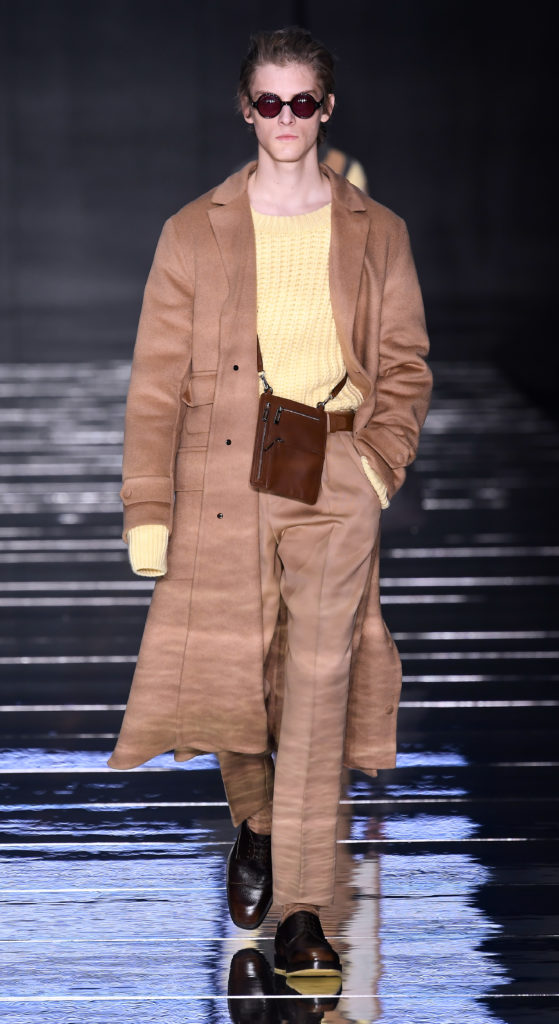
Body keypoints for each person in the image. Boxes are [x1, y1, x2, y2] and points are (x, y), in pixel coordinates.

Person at [108, 26, 432, 982]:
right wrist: (147, 505)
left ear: (325, 110)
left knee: (320, 686)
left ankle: (303, 910)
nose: (285, 118)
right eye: (268, 102)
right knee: (237, 675)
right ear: (245, 111)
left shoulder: (379, 232)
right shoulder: (192, 231)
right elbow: (155, 384)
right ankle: (255, 820)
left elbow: (406, 364)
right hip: (224, 473)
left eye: (301, 102)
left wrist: (377, 467)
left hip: (334, 469)